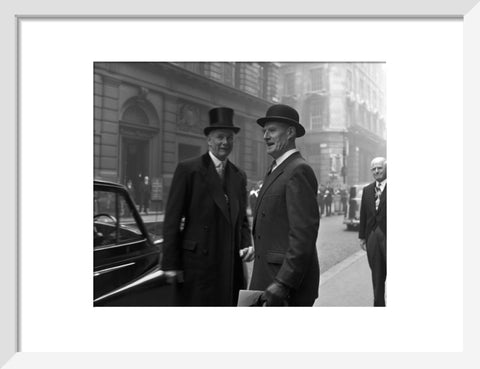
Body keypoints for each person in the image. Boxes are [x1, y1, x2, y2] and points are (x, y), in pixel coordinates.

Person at [161, 107, 254, 306]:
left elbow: (242, 220)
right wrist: (171, 263)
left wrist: (246, 243)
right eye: (220, 137)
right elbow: (172, 219)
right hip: (197, 263)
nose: (225, 142)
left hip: (229, 262)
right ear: (209, 140)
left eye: (230, 138)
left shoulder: (239, 175)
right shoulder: (189, 169)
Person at [249, 104, 320, 306]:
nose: (265, 136)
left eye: (272, 130)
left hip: (284, 285)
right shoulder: (277, 169)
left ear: (290, 133)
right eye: (264, 131)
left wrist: (283, 282)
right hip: (268, 277)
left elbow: (303, 235)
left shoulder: (298, 170)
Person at [359, 157, 387, 306]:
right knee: (376, 275)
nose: (376, 171)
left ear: (386, 168)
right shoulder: (367, 190)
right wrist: (362, 237)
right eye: (374, 169)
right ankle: (379, 304)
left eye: (380, 168)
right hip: (372, 237)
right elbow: (363, 214)